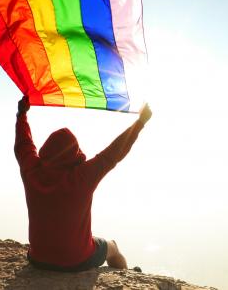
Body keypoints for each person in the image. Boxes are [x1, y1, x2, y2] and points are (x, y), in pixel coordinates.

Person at [14, 96, 151, 272]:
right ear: (74, 152)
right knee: (113, 247)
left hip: (39, 258)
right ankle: (127, 275)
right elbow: (113, 153)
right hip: (76, 259)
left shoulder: (32, 170)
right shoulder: (82, 176)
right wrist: (140, 123)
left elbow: (23, 144)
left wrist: (21, 115)